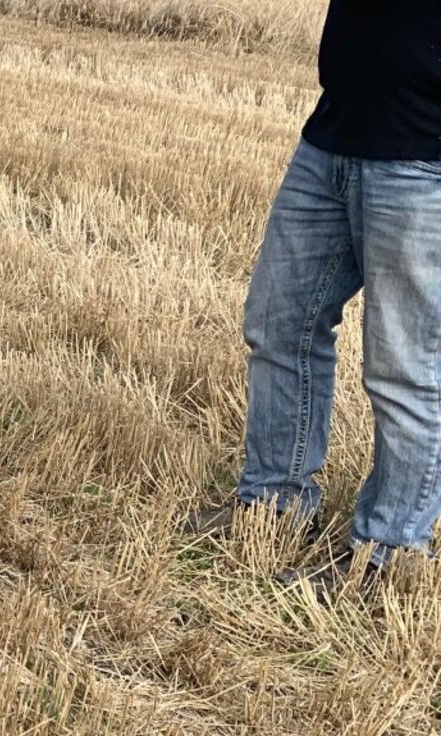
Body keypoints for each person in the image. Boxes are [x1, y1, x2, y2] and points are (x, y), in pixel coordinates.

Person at [185, 1, 441, 598]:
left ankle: (390, 552)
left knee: (403, 368)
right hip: (334, 133)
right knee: (278, 323)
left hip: (424, 158)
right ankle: (274, 502)